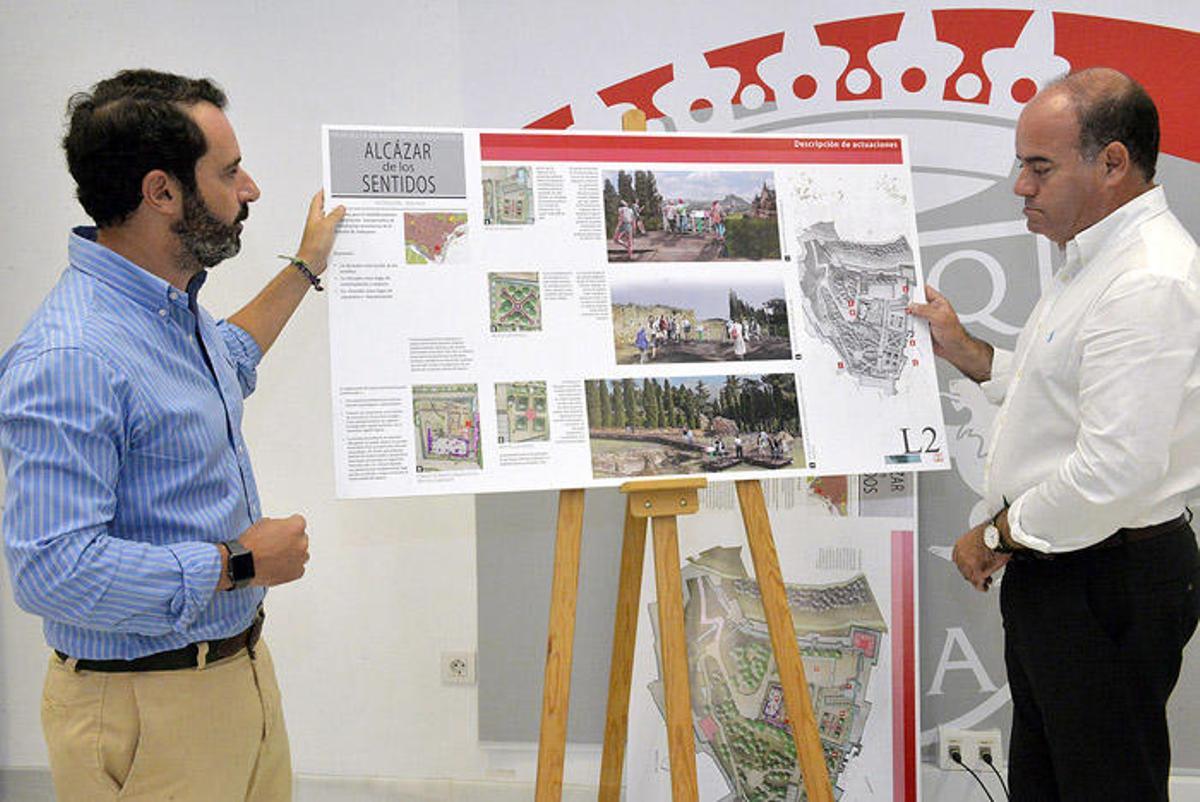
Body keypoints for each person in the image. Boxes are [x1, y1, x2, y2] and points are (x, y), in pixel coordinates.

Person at [0, 69, 345, 802]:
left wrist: (306, 265)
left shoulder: (164, 311)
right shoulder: (73, 354)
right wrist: (239, 563)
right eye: (228, 171)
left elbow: (229, 361)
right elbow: (52, 570)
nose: (249, 189)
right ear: (162, 191)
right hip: (147, 708)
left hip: (233, 678)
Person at [909, 68, 1200, 802]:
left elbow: (1113, 471)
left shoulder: (1145, 280)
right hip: (1073, 569)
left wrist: (996, 535)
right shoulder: (1096, 262)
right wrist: (965, 351)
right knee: (1048, 782)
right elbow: (1060, 399)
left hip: (1104, 578)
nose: (1021, 186)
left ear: (1113, 163)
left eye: (1040, 167)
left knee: (1104, 786)